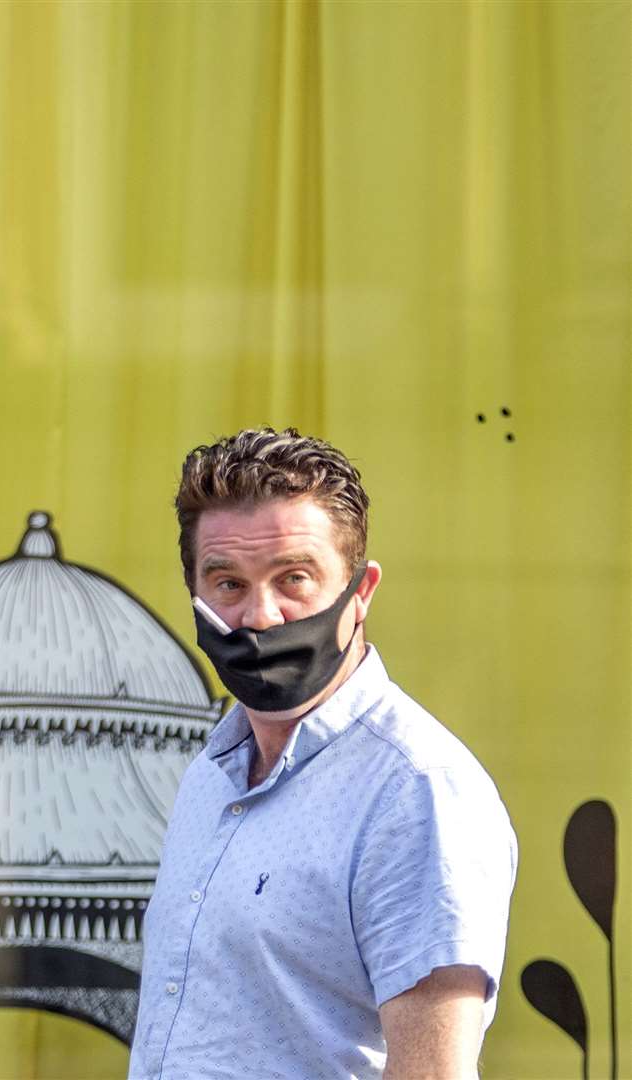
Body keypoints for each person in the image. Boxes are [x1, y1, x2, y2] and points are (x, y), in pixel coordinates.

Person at [130, 428, 517, 1080]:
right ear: (194, 593)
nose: (260, 615)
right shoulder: (211, 771)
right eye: (227, 583)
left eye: (295, 578)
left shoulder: (416, 792)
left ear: (361, 591)